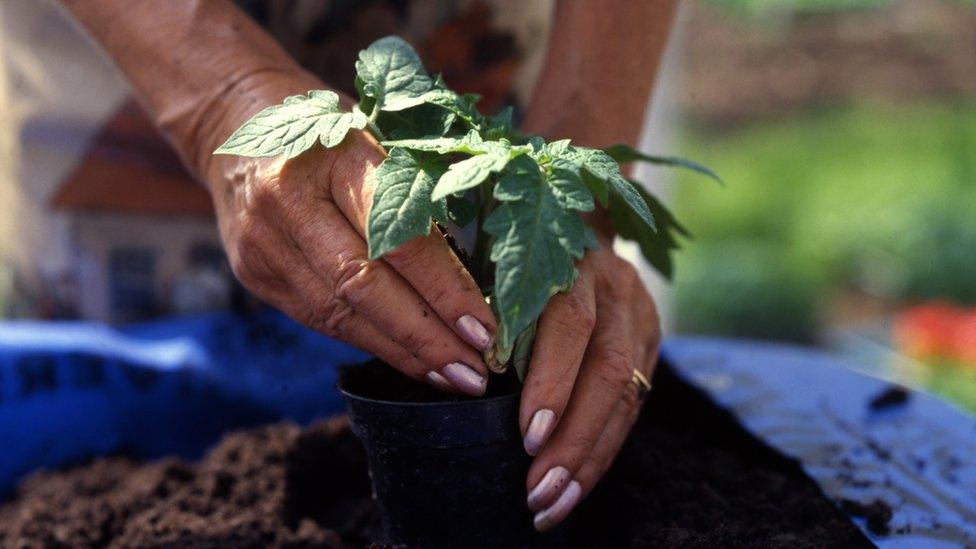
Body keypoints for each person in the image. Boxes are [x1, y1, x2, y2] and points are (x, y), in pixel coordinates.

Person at [60, 0, 675, 532]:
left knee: (553, 314)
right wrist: (219, 97)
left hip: (486, 46)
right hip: (132, 54)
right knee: (85, 417)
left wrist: (575, 193)